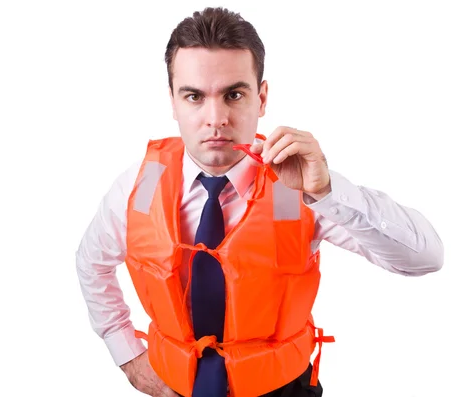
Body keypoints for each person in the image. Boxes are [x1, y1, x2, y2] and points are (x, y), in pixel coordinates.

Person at [75, 7, 444, 397]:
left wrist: (327, 192)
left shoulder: (297, 184)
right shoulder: (141, 184)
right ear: (172, 101)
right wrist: (127, 355)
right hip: (173, 385)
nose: (215, 118)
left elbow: (427, 258)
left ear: (262, 97)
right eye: (194, 96)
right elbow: (90, 262)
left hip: (283, 388)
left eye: (234, 94)